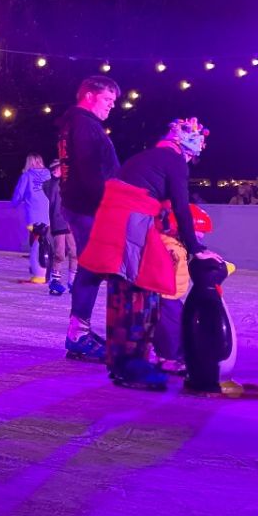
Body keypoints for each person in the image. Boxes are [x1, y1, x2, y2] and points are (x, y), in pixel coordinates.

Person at [78, 118, 222, 391]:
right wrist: (196, 249)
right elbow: (180, 206)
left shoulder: (145, 159)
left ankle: (121, 362)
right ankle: (133, 365)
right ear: (187, 148)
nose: (190, 162)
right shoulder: (174, 160)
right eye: (192, 155)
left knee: (122, 289)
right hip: (131, 222)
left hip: (112, 220)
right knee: (143, 289)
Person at [56, 75, 121, 362]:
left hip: (82, 205)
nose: (111, 106)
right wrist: (109, 205)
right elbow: (90, 171)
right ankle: (78, 334)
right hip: (89, 207)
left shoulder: (76, 123)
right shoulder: (83, 125)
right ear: (90, 96)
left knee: (92, 268)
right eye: (108, 100)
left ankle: (79, 331)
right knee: (93, 268)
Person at [11, 154, 52, 284]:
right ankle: (45, 269)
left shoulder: (27, 176)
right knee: (45, 240)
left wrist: (14, 203)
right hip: (48, 211)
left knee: (36, 241)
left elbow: (19, 193)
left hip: (33, 212)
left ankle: (39, 270)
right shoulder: (49, 175)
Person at [43, 159, 76, 295]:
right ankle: (55, 281)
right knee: (60, 254)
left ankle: (73, 281)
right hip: (58, 221)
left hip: (71, 221)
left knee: (75, 252)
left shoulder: (70, 183)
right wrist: (55, 178)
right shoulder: (50, 185)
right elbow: (50, 195)